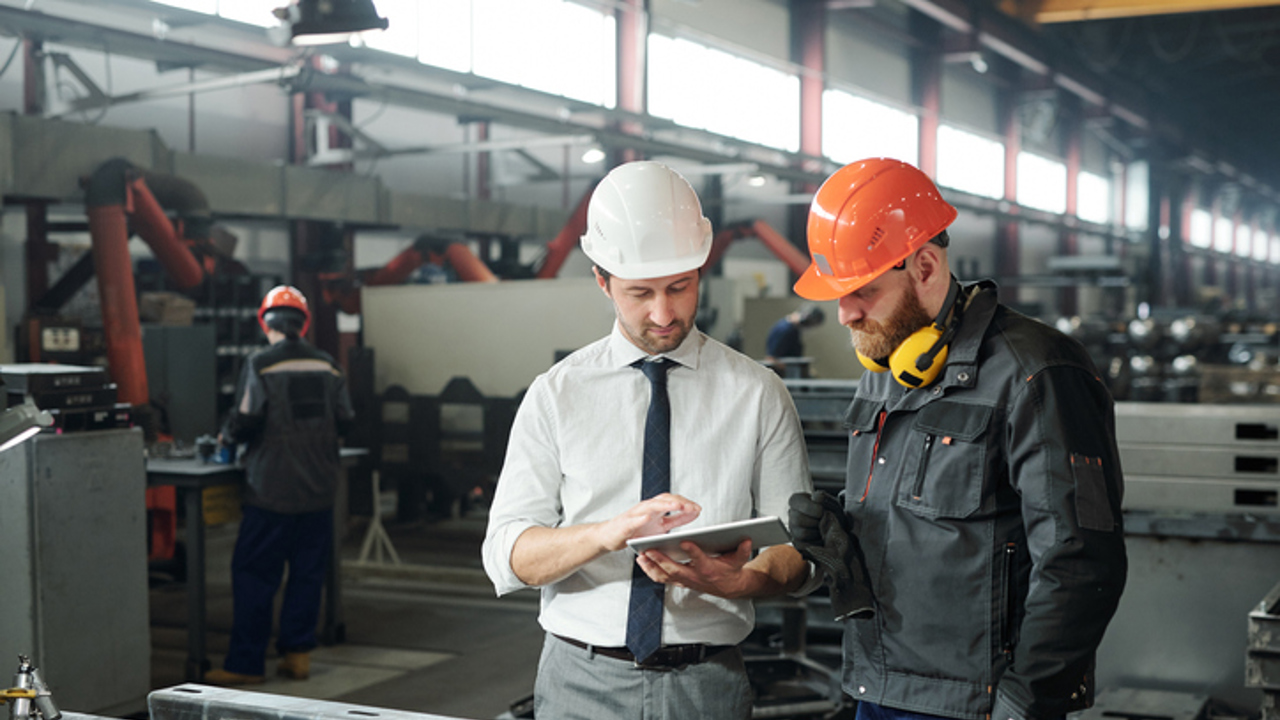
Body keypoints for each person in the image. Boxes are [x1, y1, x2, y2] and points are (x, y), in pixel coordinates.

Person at [786, 158, 1127, 720]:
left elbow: (1083, 559)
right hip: (877, 689)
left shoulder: (1037, 373)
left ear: (923, 266)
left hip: (980, 706)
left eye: (862, 290)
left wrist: (1025, 702)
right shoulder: (885, 371)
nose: (844, 313)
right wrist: (838, 537)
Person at [482, 160, 816, 720]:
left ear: (701, 270)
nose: (663, 314)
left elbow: (801, 555)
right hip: (579, 683)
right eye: (640, 293)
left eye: (680, 288)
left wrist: (741, 580)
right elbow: (508, 554)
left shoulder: (758, 393)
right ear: (601, 280)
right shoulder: (558, 394)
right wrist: (612, 532)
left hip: (708, 682)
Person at [205, 285, 355, 686]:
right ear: (303, 323)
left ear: (264, 322)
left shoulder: (260, 364)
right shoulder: (329, 366)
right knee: (308, 573)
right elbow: (346, 420)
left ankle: (246, 662)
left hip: (270, 490)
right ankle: (297, 655)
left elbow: (245, 420)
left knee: (255, 574)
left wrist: (224, 440)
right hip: (320, 489)